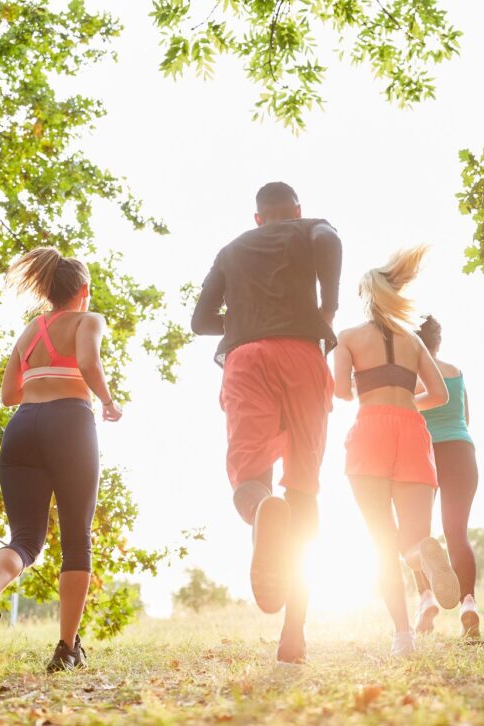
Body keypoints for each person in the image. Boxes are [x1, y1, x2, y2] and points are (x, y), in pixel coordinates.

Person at [0, 247, 123, 676]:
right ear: (83, 291)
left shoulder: (30, 331)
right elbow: (87, 361)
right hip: (69, 424)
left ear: (48, 291)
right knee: (76, 540)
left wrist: (41, 377)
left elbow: (10, 394)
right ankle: (67, 647)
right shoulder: (89, 320)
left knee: (26, 539)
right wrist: (107, 399)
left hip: (22, 427)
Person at [191, 182, 341, 664]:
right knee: (304, 491)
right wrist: (328, 308)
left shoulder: (231, 249)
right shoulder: (308, 227)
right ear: (296, 210)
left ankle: (261, 513)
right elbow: (329, 241)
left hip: (247, 358)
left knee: (249, 480)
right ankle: (293, 634)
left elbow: (199, 321)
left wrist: (239, 322)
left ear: (257, 218)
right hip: (302, 354)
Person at [333, 247, 459, 658]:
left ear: (365, 297)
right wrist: (404, 400)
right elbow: (439, 395)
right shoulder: (414, 341)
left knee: (379, 540)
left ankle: (402, 636)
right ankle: (422, 551)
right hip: (411, 432)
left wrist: (368, 392)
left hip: (370, 430)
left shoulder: (348, 338)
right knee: (413, 537)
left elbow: (339, 391)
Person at [411, 315, 481, 639]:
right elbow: (465, 417)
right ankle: (469, 604)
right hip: (461, 452)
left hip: (424, 452)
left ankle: (425, 599)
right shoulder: (456, 372)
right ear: (438, 342)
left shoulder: (409, 377)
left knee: (418, 535)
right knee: (457, 534)